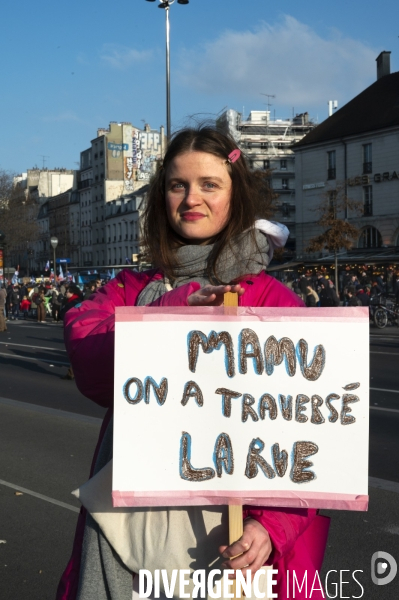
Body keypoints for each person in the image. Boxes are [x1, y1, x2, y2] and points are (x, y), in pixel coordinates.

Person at [57, 127, 329, 600]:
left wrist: (271, 528)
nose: (190, 199)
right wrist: (168, 313)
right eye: (177, 184)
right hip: (125, 529)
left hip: (229, 534)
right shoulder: (131, 287)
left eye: (209, 184)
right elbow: (89, 360)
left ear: (235, 194)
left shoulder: (271, 297)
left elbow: (306, 434)